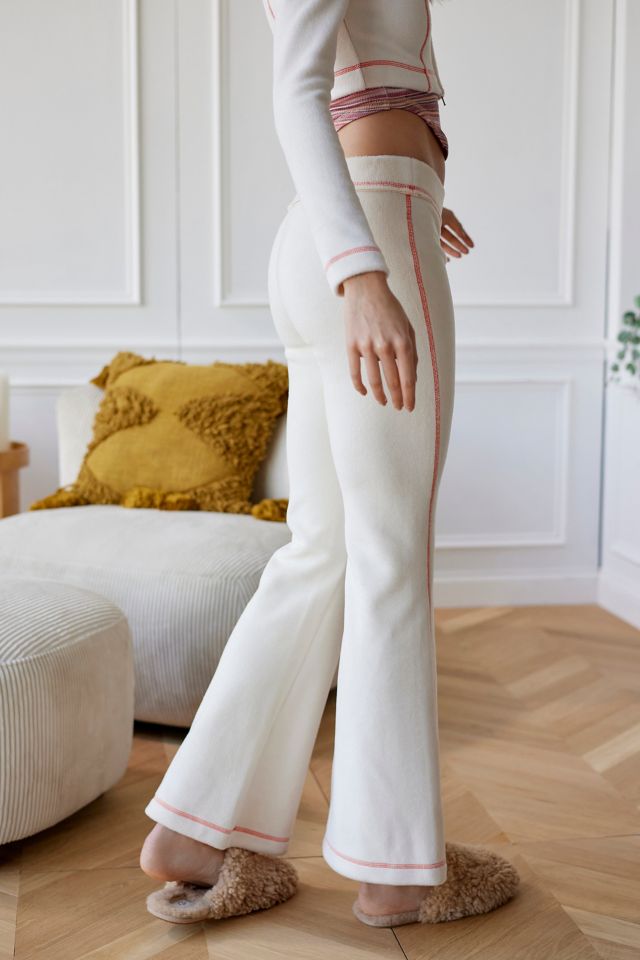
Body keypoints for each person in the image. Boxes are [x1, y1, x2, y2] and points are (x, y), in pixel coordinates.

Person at [139, 0, 521, 927]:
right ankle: (398, 869)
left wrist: (405, 204)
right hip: (366, 236)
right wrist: (366, 266)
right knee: (390, 556)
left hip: (337, 227)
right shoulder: (366, 254)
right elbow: (297, 90)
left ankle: (195, 827)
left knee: (323, 552)